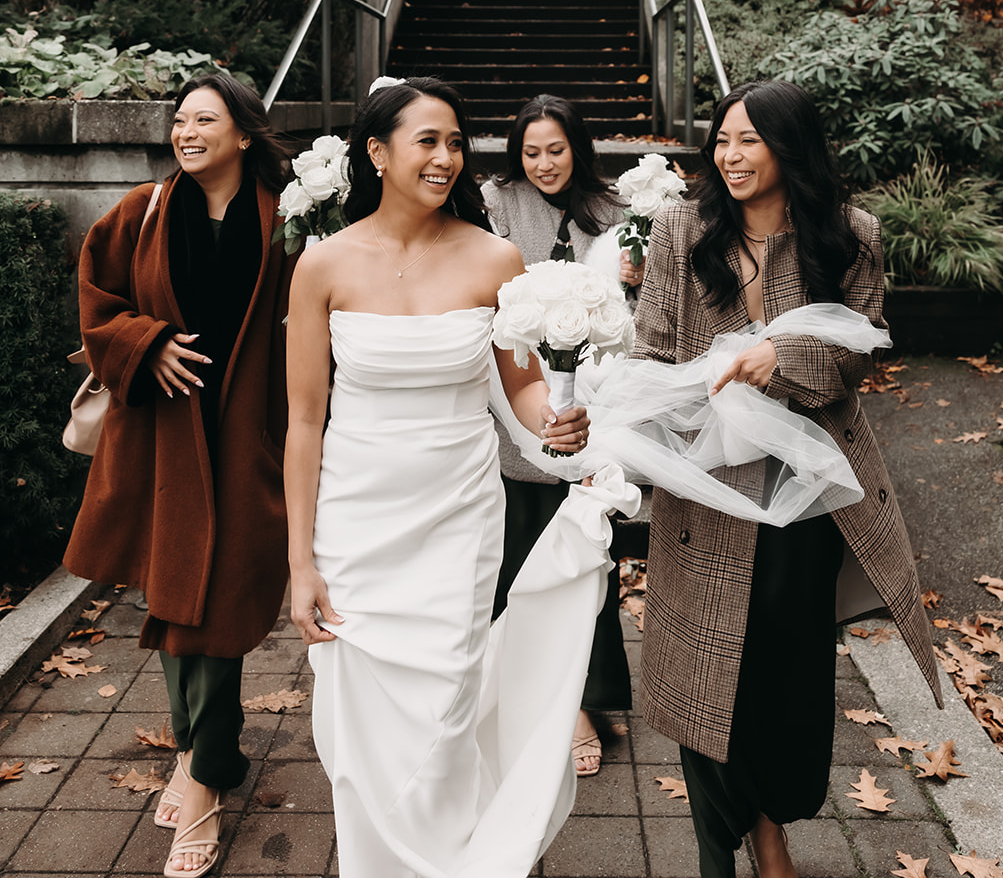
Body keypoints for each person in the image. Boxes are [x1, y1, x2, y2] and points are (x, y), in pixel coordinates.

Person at [284, 76, 594, 878]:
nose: (446, 157)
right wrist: (299, 563)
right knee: (357, 735)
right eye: (427, 140)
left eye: (455, 141)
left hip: (457, 516)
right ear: (377, 153)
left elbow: (520, 384)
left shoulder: (495, 258)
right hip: (354, 524)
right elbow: (303, 423)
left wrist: (552, 422)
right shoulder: (322, 266)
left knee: (445, 713)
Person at [631, 80, 940, 878]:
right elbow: (654, 346)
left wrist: (781, 359)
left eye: (748, 142)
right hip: (705, 488)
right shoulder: (678, 228)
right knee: (705, 672)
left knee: (783, 674)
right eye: (721, 142)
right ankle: (718, 848)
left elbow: (857, 353)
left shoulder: (849, 235)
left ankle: (770, 825)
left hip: (806, 496)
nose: (729, 157)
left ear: (788, 147)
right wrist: (628, 417)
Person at [65, 73, 298, 878]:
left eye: (205, 119)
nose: (186, 131)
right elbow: (97, 302)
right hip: (164, 437)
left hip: (247, 434)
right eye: (179, 120)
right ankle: (207, 761)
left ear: (242, 132)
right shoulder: (142, 211)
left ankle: (203, 763)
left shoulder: (290, 217)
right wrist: (147, 340)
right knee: (173, 594)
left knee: (224, 597)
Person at [481, 93, 638, 775]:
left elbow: (639, 309)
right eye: (531, 151)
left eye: (555, 149)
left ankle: (588, 694)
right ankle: (544, 700)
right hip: (515, 400)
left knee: (587, 558)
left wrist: (634, 276)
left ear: (577, 147)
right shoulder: (492, 204)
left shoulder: (613, 213)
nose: (543, 163)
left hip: (593, 401)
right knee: (521, 557)